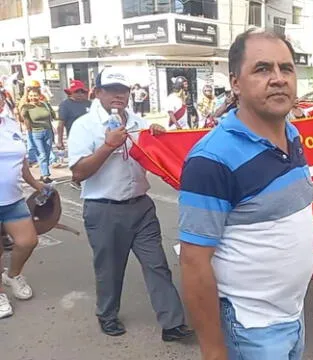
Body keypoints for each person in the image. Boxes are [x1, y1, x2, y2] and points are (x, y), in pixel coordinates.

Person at [179, 29, 313, 360]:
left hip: (292, 313)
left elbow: (286, 214)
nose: (278, 79)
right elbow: (193, 262)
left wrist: (309, 262)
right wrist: (214, 350)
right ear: (236, 83)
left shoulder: (292, 135)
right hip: (251, 330)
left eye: (286, 68)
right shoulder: (211, 159)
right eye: (262, 69)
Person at [67, 67, 193, 341]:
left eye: (122, 90)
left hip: (141, 206)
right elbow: (78, 173)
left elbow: (157, 154)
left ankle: (172, 324)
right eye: (111, 90)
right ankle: (107, 314)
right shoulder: (85, 126)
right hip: (103, 209)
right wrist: (107, 146)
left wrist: (159, 134)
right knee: (110, 269)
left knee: (157, 265)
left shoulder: (139, 122)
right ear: (98, 92)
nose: (118, 96)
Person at [0, 91, 45, 319]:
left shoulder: (11, 125)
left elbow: (22, 162)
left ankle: (13, 274)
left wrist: (37, 184)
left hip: (13, 199)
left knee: (28, 241)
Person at [58, 80, 91, 190]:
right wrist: (59, 140)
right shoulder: (65, 105)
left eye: (82, 92)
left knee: (90, 158)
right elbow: (61, 124)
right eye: (77, 91)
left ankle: (87, 178)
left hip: (90, 135)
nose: (80, 94)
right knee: (78, 159)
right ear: (71, 92)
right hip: (74, 137)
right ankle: (76, 179)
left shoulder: (89, 104)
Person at [21, 87, 57, 184]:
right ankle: (46, 176)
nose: (33, 97)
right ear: (28, 96)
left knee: (47, 153)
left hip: (48, 131)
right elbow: (26, 122)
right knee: (42, 155)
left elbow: (52, 117)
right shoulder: (26, 107)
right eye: (31, 95)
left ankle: (43, 173)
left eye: (35, 95)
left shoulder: (44, 105)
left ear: (39, 95)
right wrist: (30, 135)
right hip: (35, 133)